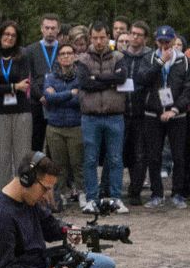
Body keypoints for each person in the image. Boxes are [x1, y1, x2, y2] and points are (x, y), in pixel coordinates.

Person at [138, 25, 190, 207]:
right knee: (154, 156)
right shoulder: (149, 58)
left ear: (174, 40)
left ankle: (177, 193)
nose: (164, 45)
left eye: (168, 42)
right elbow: (143, 79)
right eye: (161, 42)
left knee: (179, 156)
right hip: (152, 114)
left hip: (177, 115)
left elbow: (188, 89)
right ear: (156, 42)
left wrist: (175, 109)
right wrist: (160, 62)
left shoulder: (184, 61)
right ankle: (157, 194)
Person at [76, 22, 129, 213]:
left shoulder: (119, 57)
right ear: (91, 38)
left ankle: (115, 198)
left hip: (115, 116)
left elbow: (121, 78)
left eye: (102, 37)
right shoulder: (82, 59)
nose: (99, 41)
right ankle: (92, 199)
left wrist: (96, 78)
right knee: (90, 159)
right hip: (90, 117)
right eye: (95, 37)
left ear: (108, 37)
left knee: (115, 158)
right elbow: (84, 82)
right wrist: (109, 80)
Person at [0, 21, 35, 203]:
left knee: (22, 156)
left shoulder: (23, 56)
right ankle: (2, 199)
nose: (9, 38)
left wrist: (7, 87)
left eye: (13, 35)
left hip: (22, 110)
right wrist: (14, 86)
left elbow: (25, 83)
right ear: (0, 36)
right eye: (6, 34)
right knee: (1, 157)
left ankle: (23, 197)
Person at [42, 43, 84, 208]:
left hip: (75, 126)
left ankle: (82, 192)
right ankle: (60, 195)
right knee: (58, 165)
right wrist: (69, 93)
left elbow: (79, 100)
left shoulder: (80, 76)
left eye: (69, 53)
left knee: (78, 163)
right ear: (58, 58)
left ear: (74, 56)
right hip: (55, 127)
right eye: (63, 54)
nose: (66, 56)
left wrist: (58, 96)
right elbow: (48, 99)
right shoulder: (50, 77)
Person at [120, 22, 156, 206]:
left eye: (139, 34)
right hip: (121, 111)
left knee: (140, 154)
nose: (135, 37)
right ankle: (114, 189)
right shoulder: (120, 56)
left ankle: (135, 190)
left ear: (145, 38)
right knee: (120, 152)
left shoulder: (150, 57)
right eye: (133, 33)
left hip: (143, 112)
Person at [22, 14, 62, 152]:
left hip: (58, 102)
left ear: (58, 29)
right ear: (41, 29)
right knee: (36, 141)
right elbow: (28, 77)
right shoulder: (30, 50)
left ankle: (53, 173)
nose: (50, 31)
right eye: (47, 28)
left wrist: (57, 96)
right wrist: (40, 96)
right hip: (37, 102)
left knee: (56, 144)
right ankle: (35, 171)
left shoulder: (64, 50)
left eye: (53, 28)